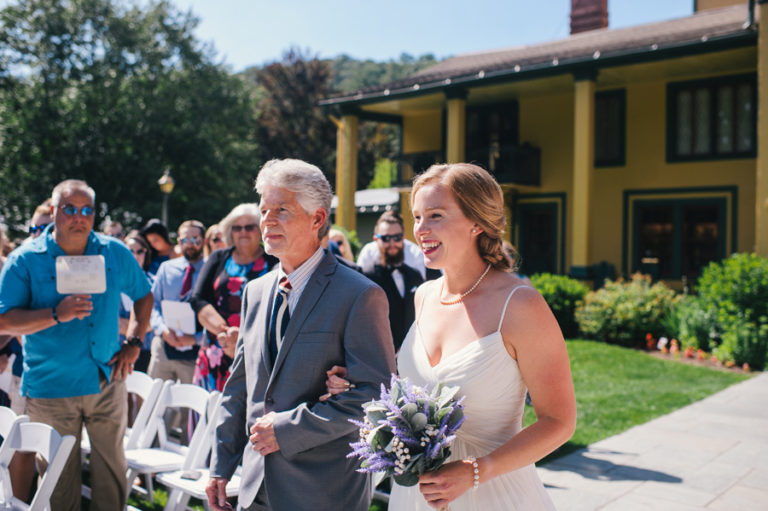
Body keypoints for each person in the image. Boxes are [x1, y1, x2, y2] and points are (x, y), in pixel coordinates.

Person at [327, 163, 576, 510]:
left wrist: (476, 471)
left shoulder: (520, 305)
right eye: (417, 217)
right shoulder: (424, 296)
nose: (421, 230)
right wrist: (357, 383)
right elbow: (415, 389)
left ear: (477, 222)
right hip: (416, 497)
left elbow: (560, 422)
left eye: (436, 216)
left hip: (494, 495)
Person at [205, 158, 396, 511]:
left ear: (318, 219)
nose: (267, 221)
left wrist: (287, 430)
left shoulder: (359, 295)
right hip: (255, 486)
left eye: (282, 210)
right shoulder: (256, 291)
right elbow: (240, 388)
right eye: (264, 210)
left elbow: (376, 396)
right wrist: (220, 466)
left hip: (323, 490)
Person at [0, 179, 153, 511]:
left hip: (107, 379)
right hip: (52, 388)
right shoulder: (25, 259)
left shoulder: (113, 251)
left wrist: (135, 341)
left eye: (87, 210)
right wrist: (56, 313)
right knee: (59, 483)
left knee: (111, 473)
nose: (79, 217)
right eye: (70, 209)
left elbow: (144, 295)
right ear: (54, 212)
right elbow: (4, 320)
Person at [190, 204, 277, 393]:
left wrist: (241, 342)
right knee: (206, 415)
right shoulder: (218, 257)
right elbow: (197, 299)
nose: (243, 232)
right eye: (237, 228)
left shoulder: (274, 262)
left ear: (261, 229)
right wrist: (228, 336)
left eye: (249, 227)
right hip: (215, 350)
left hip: (254, 354)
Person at [148, 220, 206, 385]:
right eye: (184, 240)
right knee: (156, 401)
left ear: (203, 241)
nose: (190, 244)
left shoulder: (211, 270)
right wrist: (163, 330)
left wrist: (195, 339)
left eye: (195, 239)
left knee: (188, 408)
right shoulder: (166, 268)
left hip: (195, 351)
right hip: (164, 346)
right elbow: (153, 305)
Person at [363, 211, 424, 352]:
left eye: (397, 238)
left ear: (403, 238)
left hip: (414, 354)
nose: (392, 244)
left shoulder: (415, 274)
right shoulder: (367, 276)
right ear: (375, 239)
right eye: (385, 238)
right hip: (380, 355)